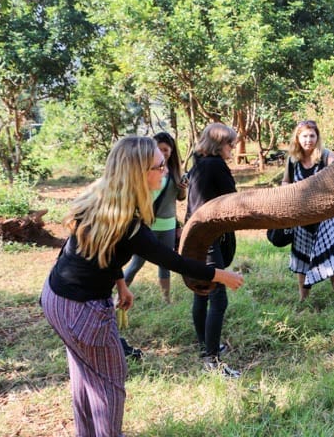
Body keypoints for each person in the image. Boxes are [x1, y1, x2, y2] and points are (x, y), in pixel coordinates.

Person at [40, 136, 244, 437]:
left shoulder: (103, 198)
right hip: (82, 311)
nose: (165, 171)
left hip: (55, 298)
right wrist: (220, 275)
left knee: (85, 378)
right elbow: (173, 261)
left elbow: (101, 251)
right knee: (109, 383)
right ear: (137, 172)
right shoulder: (128, 223)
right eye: (159, 166)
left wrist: (121, 283)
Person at [185, 122, 240, 377]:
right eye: (231, 143)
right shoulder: (215, 165)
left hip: (193, 235)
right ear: (220, 144)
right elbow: (232, 197)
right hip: (208, 238)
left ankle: (205, 345)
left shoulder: (198, 164)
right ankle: (213, 361)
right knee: (218, 297)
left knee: (201, 292)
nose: (233, 148)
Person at [281, 119, 334, 301]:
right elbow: (285, 182)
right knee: (302, 261)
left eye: (312, 136)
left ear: (317, 137)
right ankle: (303, 300)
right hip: (302, 219)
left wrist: (325, 178)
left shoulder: (326, 156)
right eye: (304, 136)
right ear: (297, 138)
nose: (308, 140)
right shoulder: (292, 161)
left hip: (328, 218)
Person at [123, 132, 187, 303]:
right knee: (136, 263)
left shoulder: (176, 172)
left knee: (165, 264)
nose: (163, 153)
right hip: (148, 225)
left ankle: (166, 298)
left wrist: (183, 187)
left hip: (168, 225)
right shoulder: (146, 172)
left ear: (172, 151)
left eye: (166, 150)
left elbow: (180, 198)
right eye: (159, 149)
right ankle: (119, 294)